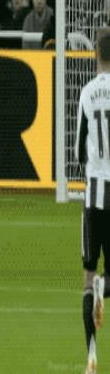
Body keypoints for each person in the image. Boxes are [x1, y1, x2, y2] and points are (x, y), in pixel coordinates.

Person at [75, 28, 110, 374]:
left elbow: (77, 150)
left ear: (96, 54)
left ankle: (91, 358)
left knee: (87, 279)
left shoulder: (86, 93)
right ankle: (104, 284)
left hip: (94, 194)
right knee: (106, 278)